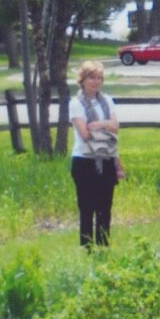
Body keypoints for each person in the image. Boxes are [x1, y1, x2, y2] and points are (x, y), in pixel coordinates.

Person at [69, 60, 124, 248]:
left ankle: (103, 246)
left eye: (99, 78)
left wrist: (100, 125)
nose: (96, 82)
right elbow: (84, 134)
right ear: (83, 80)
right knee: (87, 208)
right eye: (92, 78)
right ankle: (87, 247)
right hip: (85, 160)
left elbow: (115, 128)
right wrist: (106, 127)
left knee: (105, 208)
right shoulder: (76, 104)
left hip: (107, 159)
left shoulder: (107, 101)